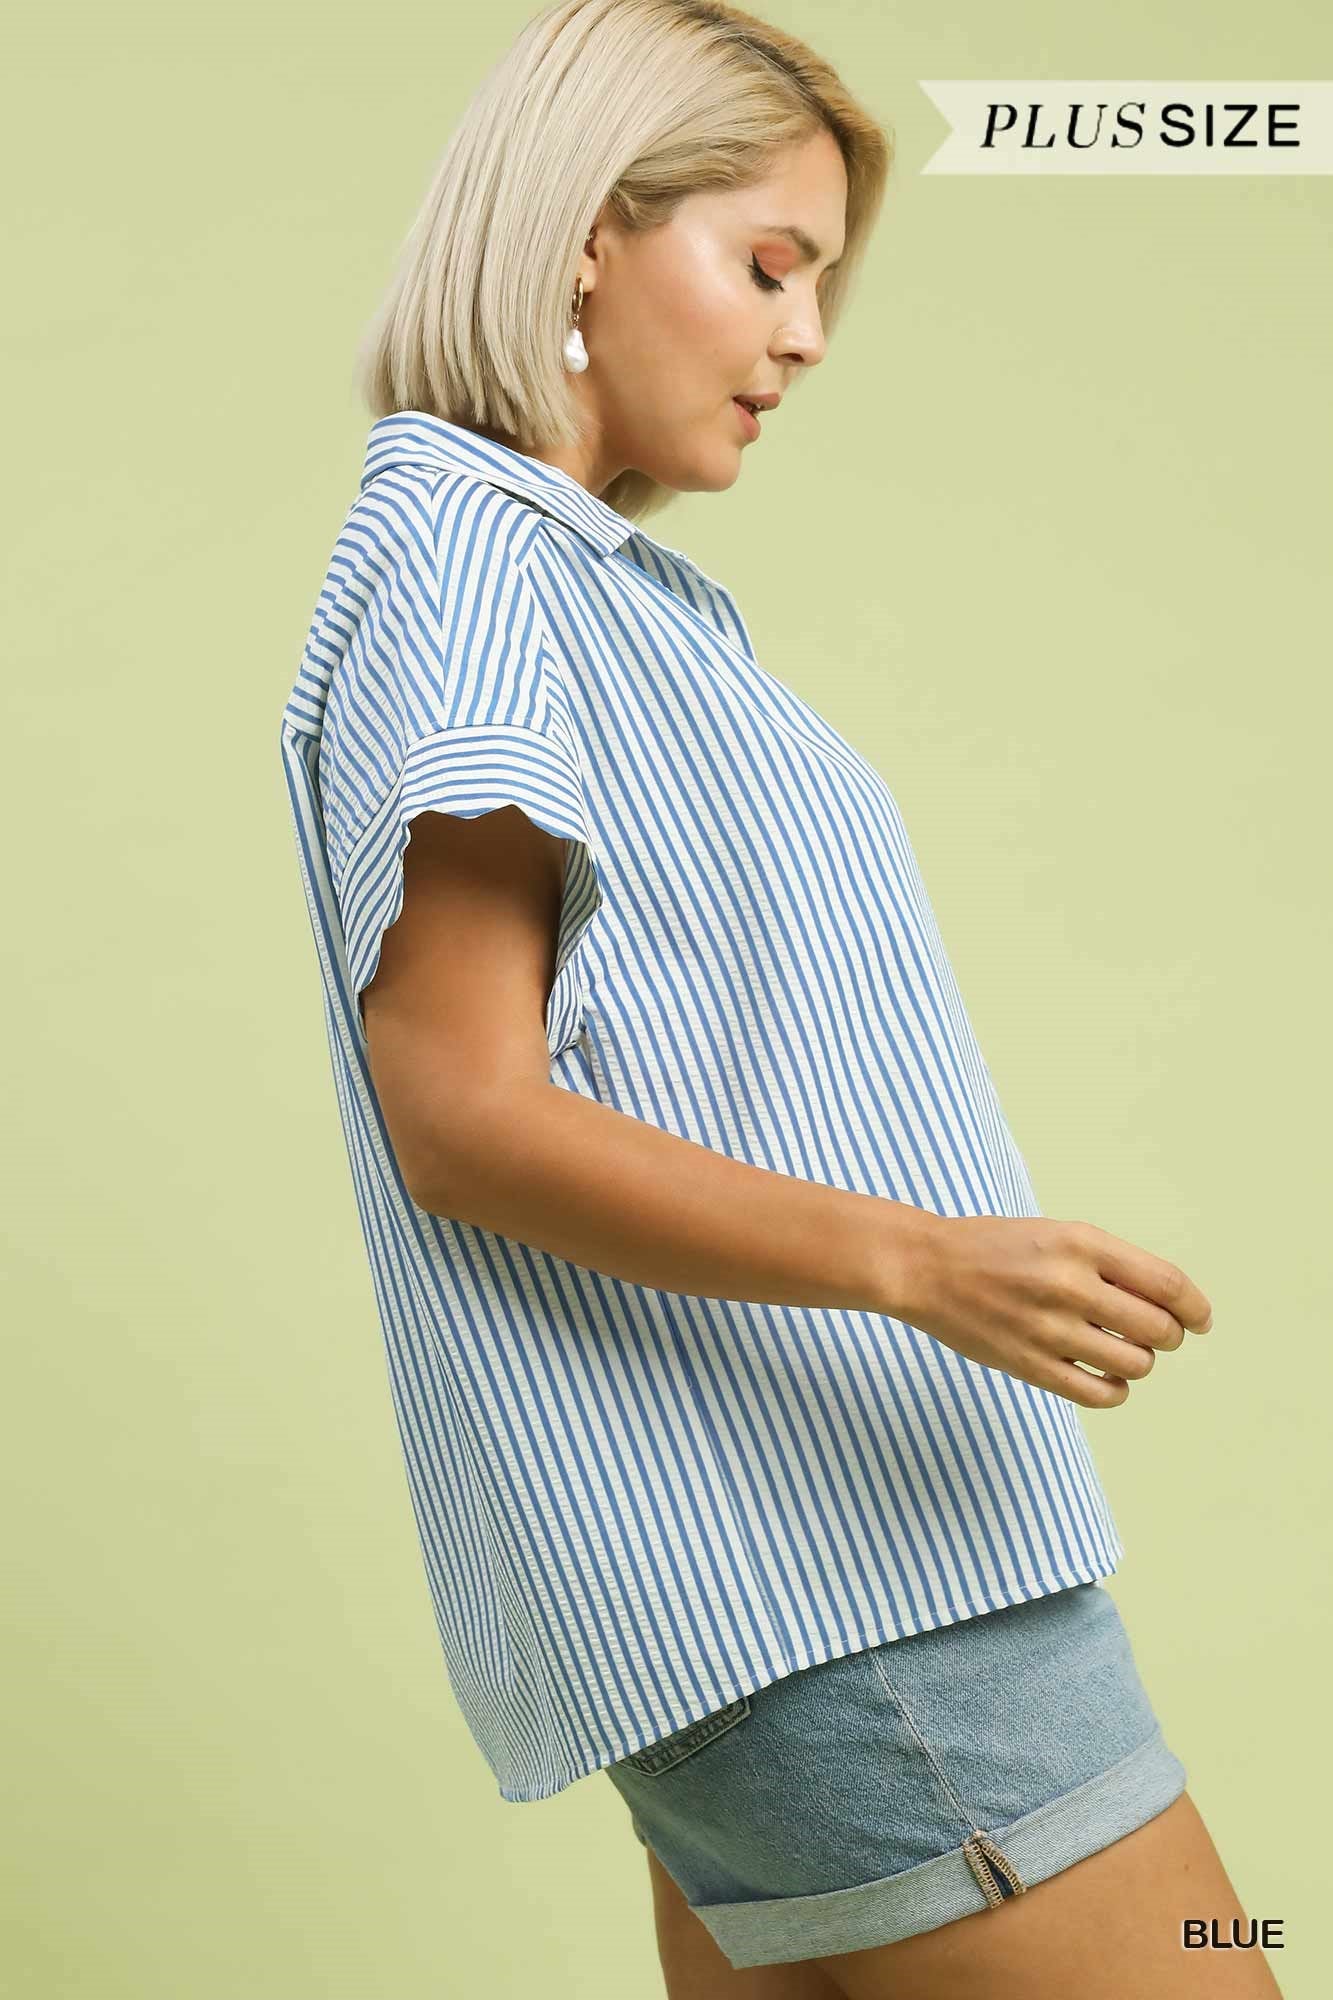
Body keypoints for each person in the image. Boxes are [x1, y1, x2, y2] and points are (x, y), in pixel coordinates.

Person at [278, 2, 1280, 1993]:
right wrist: (925, 1264)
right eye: (766, 265)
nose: (806, 336)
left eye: (821, 283)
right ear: (583, 233)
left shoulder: (562, 582)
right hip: (855, 1590)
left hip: (787, 1601)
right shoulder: (471, 567)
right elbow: (458, 1111)